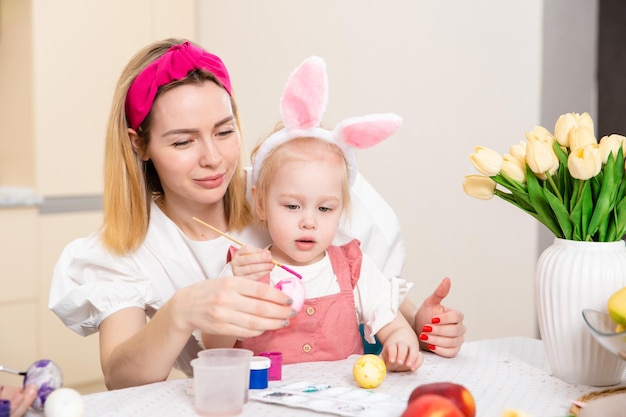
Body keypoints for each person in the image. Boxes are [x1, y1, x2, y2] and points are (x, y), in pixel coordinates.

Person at [48, 38, 464, 390]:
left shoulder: (294, 191)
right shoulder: (129, 249)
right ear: (139, 145)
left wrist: (428, 329)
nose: (213, 159)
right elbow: (124, 383)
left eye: (225, 131)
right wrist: (182, 311)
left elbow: (383, 302)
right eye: (182, 142)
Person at [202, 56, 422, 372]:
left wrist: (402, 345)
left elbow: (395, 327)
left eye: (325, 208)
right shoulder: (246, 270)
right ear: (261, 203)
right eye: (292, 206)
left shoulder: (353, 267)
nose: (309, 221)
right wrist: (236, 289)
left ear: (340, 209)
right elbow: (214, 345)